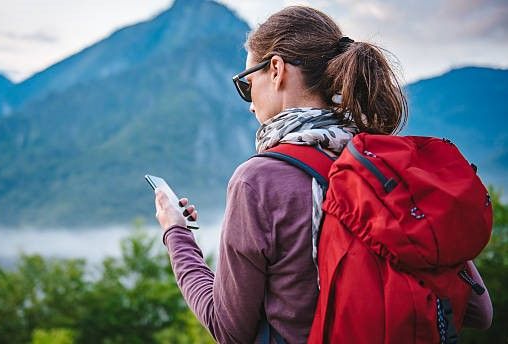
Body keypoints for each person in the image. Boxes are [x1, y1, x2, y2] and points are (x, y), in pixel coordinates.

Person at [154, 5, 492, 343]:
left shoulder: (258, 181)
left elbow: (229, 330)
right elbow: (480, 310)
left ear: (276, 70)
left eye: (246, 84)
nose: (249, 101)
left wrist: (177, 235)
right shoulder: (389, 169)